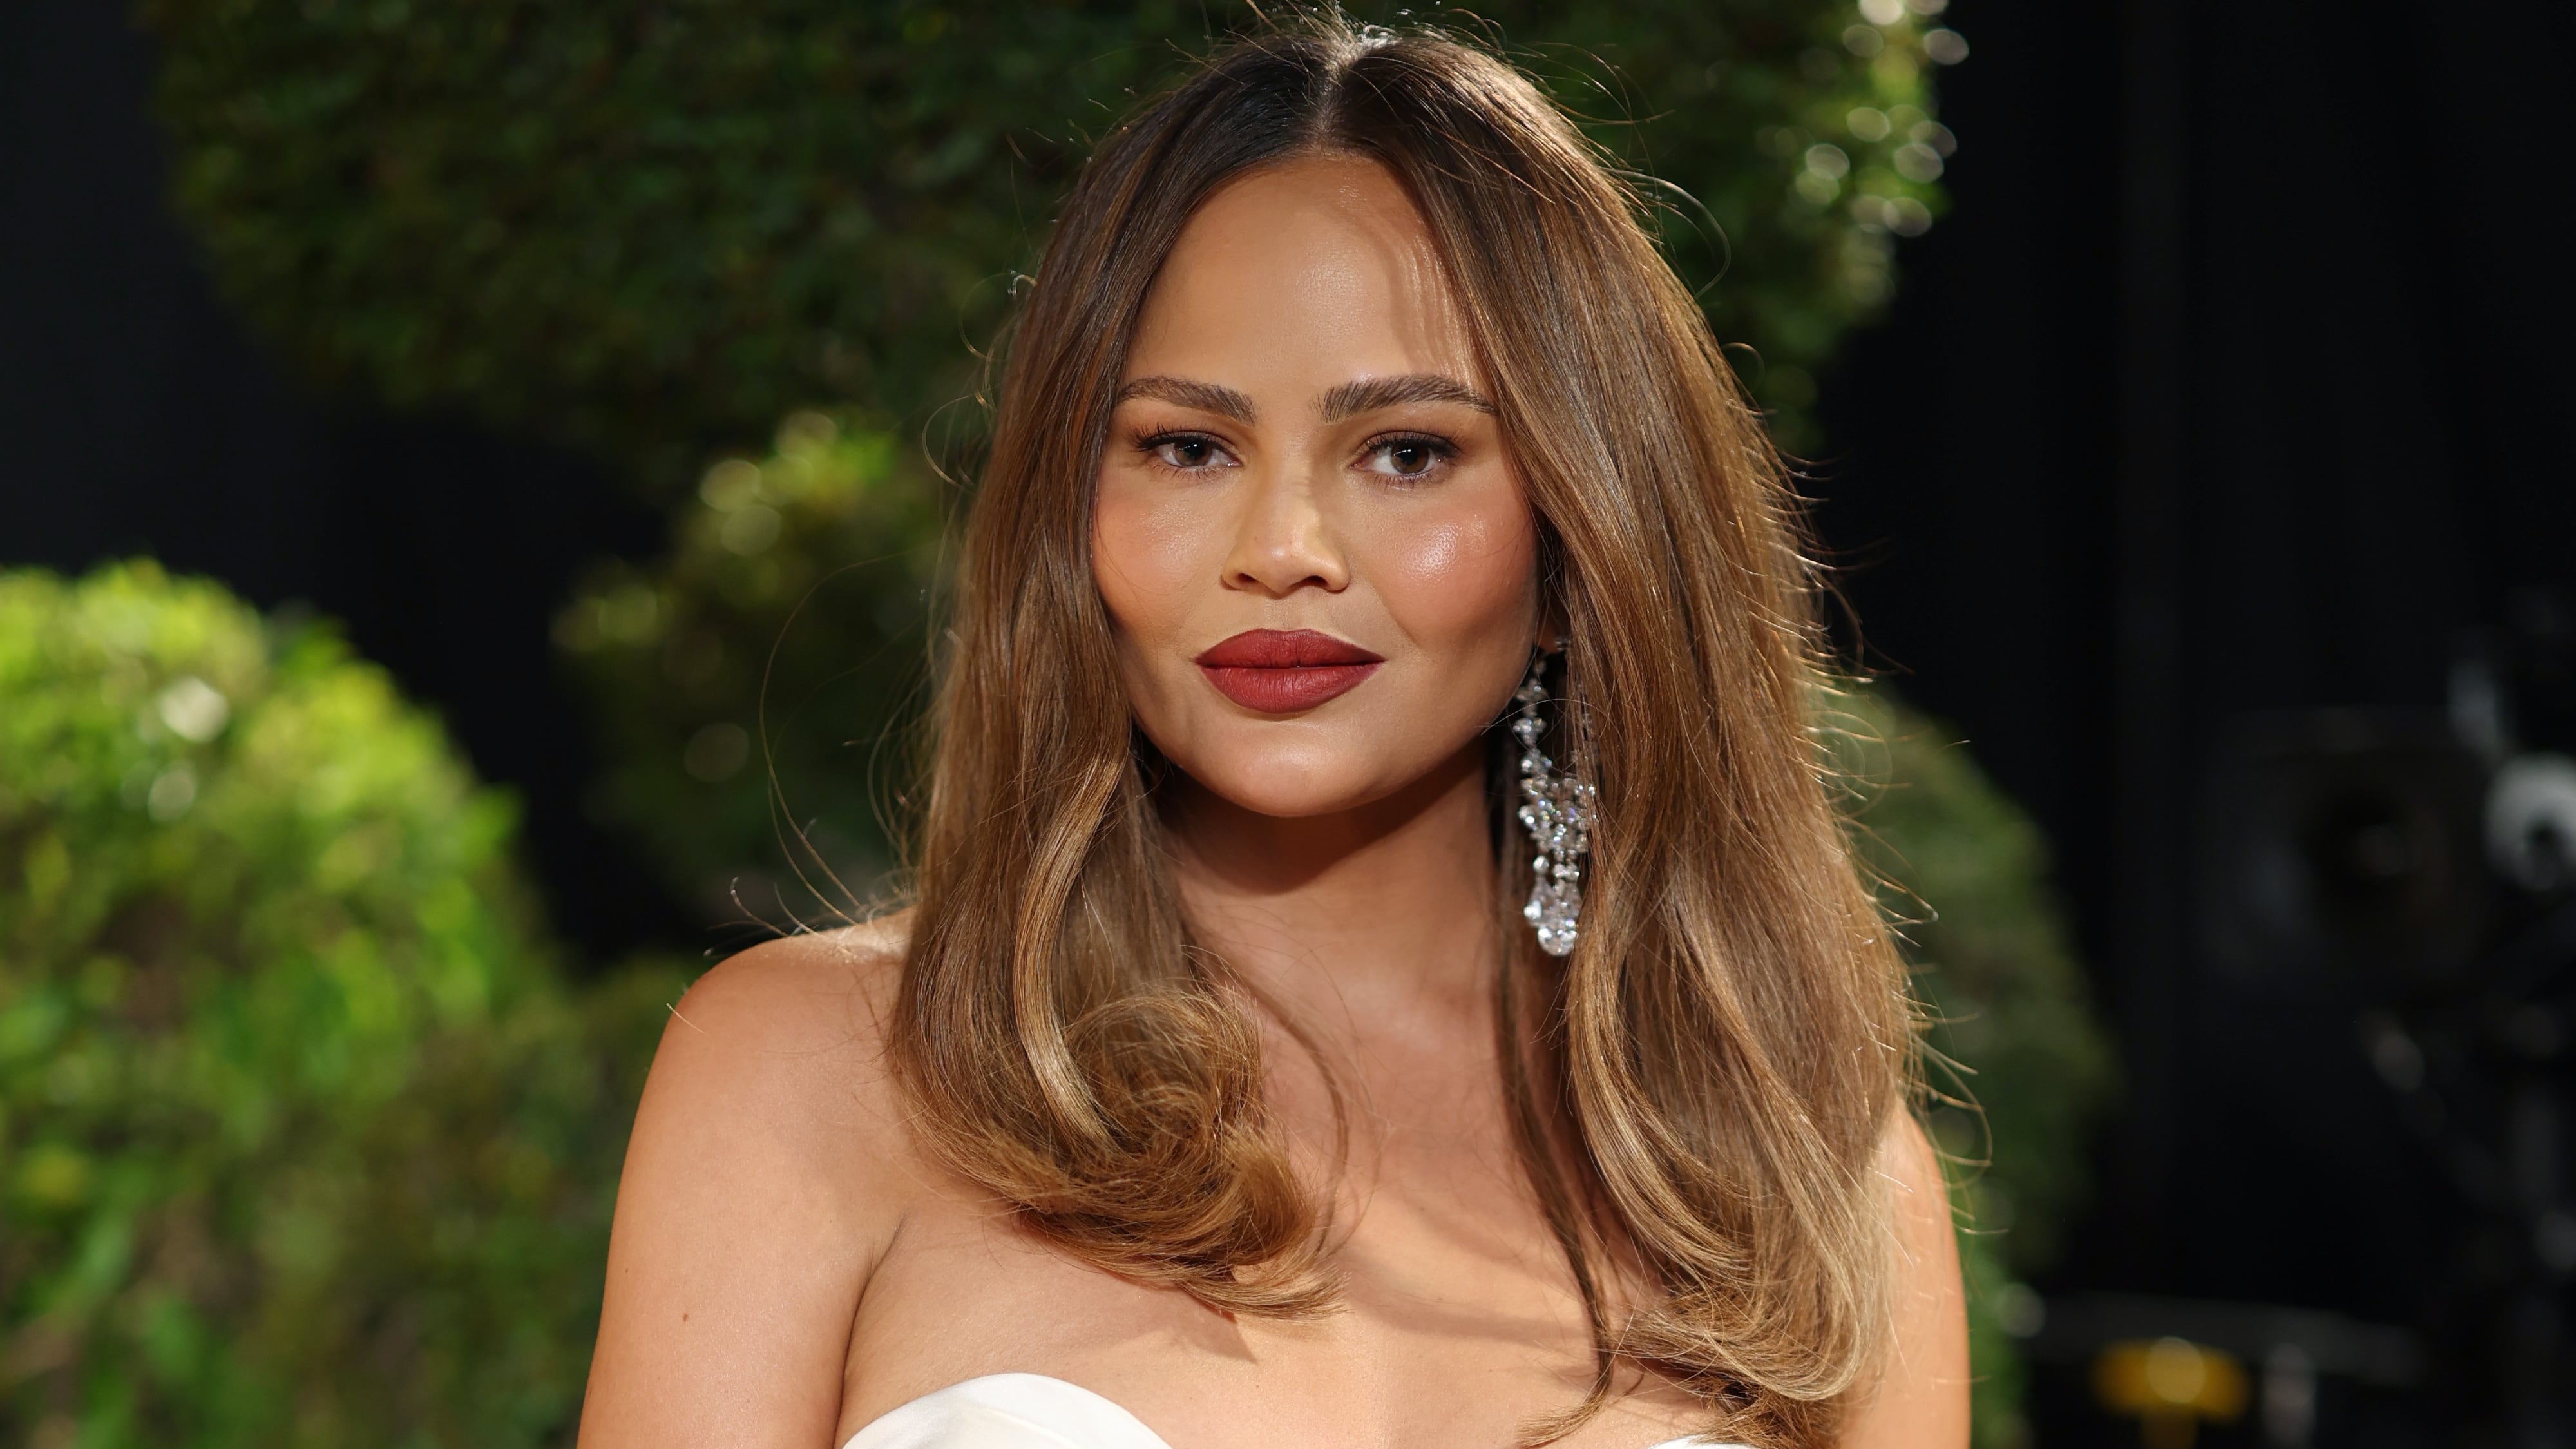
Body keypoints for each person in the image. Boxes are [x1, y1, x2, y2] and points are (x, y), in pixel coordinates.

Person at [578, 16, 1967, 1449]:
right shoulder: (814, 1071)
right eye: (1187, 447)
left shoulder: (1821, 1184)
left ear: (1575, 547)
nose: (1282, 548)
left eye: (1406, 451)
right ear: (1071, 512)